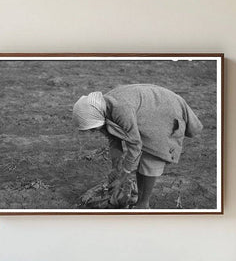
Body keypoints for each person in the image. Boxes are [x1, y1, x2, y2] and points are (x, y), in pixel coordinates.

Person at [72, 84, 203, 209]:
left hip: (165, 111)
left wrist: (124, 175)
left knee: (151, 158)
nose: (93, 131)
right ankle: (140, 200)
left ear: (96, 116)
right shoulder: (102, 108)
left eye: (92, 127)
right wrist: (115, 168)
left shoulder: (120, 109)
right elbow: (114, 138)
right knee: (140, 161)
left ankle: (143, 205)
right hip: (153, 110)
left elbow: (135, 145)